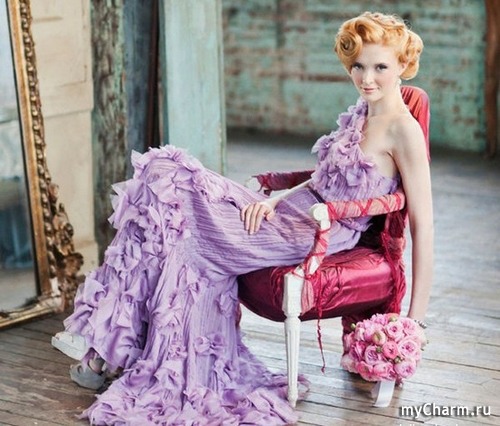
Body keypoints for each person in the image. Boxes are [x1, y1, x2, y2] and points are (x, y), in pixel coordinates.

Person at [52, 11, 433, 425]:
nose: (366, 78)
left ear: (403, 65)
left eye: (380, 67)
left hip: (314, 230)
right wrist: (275, 200)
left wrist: (415, 321)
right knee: (162, 177)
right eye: (358, 66)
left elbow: (423, 223)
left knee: (173, 199)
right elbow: (324, 179)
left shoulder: (404, 130)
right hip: (289, 210)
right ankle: (113, 340)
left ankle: (106, 345)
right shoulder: (363, 110)